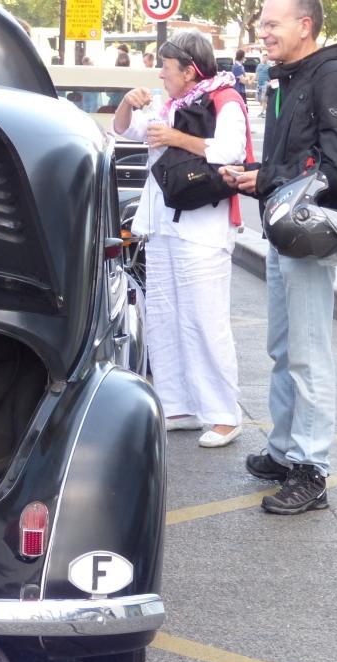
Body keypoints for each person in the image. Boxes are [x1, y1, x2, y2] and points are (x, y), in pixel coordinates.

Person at [219, 0, 337, 515]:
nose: (262, 32)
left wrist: (267, 178)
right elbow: (300, 158)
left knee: (308, 353)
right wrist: (262, 175)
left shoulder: (334, 78)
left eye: (271, 23)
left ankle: (311, 468)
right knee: (284, 348)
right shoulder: (292, 75)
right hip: (285, 228)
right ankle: (285, 451)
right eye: (261, 23)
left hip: (307, 233)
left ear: (304, 26)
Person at [113, 29, 249, 449]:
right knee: (165, 317)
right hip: (164, 225)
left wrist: (176, 138)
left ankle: (224, 414)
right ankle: (178, 406)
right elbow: (126, 130)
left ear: (189, 70)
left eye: (166, 67)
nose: (161, 74)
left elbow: (232, 151)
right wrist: (126, 103)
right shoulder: (170, 104)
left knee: (205, 320)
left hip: (203, 228)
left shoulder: (225, 99)